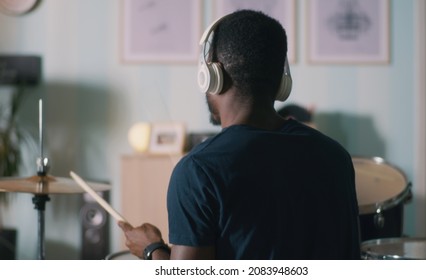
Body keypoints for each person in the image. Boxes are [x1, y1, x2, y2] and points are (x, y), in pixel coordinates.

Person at [118, 9, 360, 260]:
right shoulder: (336, 157)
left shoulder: (199, 170)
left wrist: (151, 249)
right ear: (281, 81)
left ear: (211, 75)